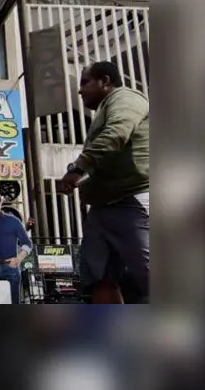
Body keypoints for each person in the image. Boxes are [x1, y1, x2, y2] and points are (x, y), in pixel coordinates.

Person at [56, 61, 150, 304]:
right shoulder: (103, 110)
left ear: (105, 81)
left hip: (131, 200)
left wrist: (78, 169)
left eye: (85, 82)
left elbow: (116, 134)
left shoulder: (126, 98)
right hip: (101, 210)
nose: (80, 90)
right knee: (98, 278)